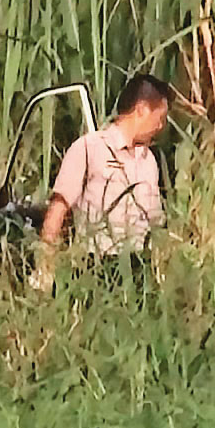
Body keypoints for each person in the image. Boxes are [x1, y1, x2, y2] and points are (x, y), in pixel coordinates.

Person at [33, 73, 172, 291]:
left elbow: (155, 222)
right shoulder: (89, 149)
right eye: (159, 117)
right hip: (96, 266)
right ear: (142, 109)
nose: (160, 126)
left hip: (138, 269)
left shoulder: (149, 161)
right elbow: (58, 209)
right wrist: (45, 268)